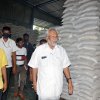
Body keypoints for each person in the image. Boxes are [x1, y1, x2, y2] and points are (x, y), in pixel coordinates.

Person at [28, 28, 73, 100]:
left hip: (56, 88)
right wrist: (34, 82)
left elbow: (65, 67)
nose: (55, 38)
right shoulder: (39, 50)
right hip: (43, 89)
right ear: (47, 38)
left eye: (56, 36)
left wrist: (70, 81)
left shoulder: (61, 50)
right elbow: (34, 67)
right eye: (53, 36)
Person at [0, 26, 17, 100]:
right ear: (1, 32)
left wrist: (14, 66)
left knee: (6, 83)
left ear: (10, 33)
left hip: (8, 66)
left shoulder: (12, 42)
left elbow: (14, 55)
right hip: (0, 66)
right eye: (4, 32)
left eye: (8, 32)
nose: (6, 34)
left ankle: (4, 98)